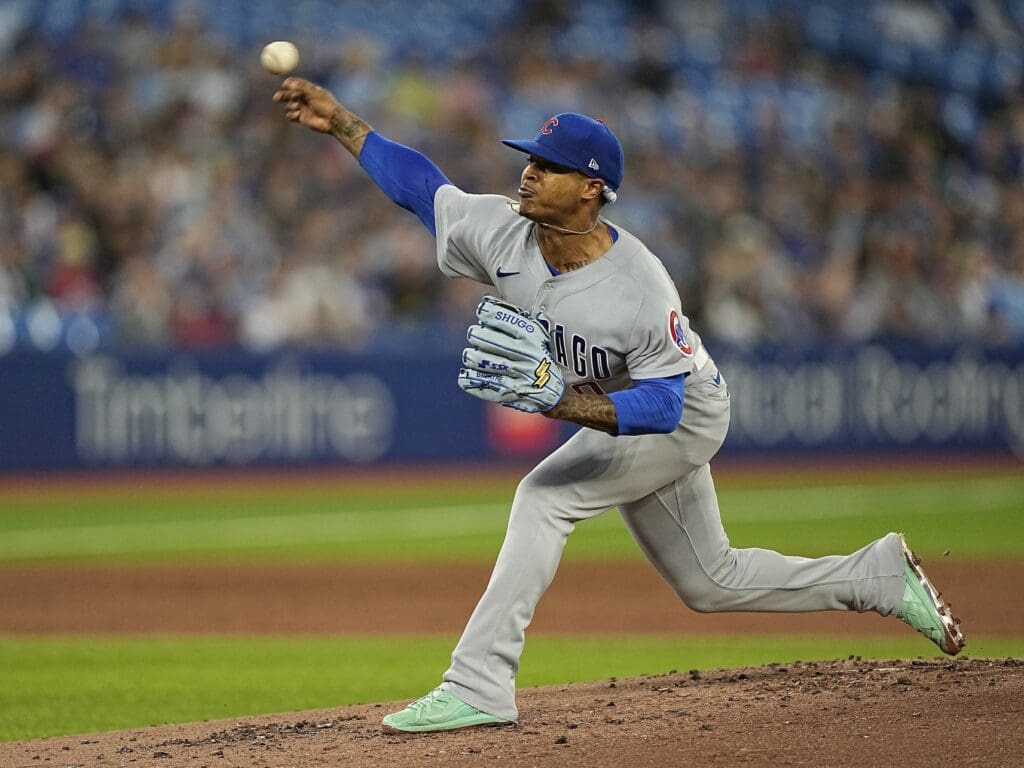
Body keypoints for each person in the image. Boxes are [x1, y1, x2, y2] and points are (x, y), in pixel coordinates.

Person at [273, 78, 965, 733]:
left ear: (592, 188)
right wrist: (338, 120)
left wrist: (563, 403)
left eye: (551, 165)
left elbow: (665, 406)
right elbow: (419, 187)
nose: (530, 172)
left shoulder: (639, 287)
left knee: (544, 497)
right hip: (633, 409)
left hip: (684, 410)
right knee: (709, 580)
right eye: (531, 159)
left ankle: (478, 683)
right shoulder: (500, 230)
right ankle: (874, 576)